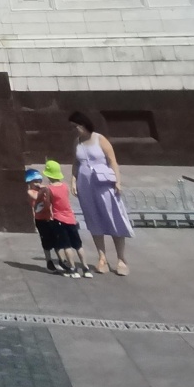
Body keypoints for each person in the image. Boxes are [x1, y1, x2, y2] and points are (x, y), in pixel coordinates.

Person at [69, 112, 133, 275]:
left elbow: (112, 160)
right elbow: (76, 163)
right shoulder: (77, 142)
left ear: (83, 124)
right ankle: (102, 257)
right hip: (86, 185)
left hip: (104, 184)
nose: (75, 129)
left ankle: (121, 259)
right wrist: (73, 181)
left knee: (113, 217)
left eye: (76, 126)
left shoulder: (99, 139)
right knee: (93, 218)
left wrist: (117, 181)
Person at [42, 158, 92, 277]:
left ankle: (73, 268)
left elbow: (48, 204)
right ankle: (86, 268)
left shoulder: (49, 189)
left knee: (66, 246)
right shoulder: (64, 186)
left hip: (59, 220)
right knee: (78, 245)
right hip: (71, 218)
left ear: (49, 175)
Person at [25, 168, 65, 274]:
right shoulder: (30, 191)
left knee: (57, 240)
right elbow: (36, 197)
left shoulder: (44, 190)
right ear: (29, 182)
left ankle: (62, 260)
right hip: (40, 220)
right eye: (35, 182)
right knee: (46, 242)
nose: (38, 183)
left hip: (50, 218)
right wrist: (44, 189)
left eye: (39, 181)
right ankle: (49, 261)